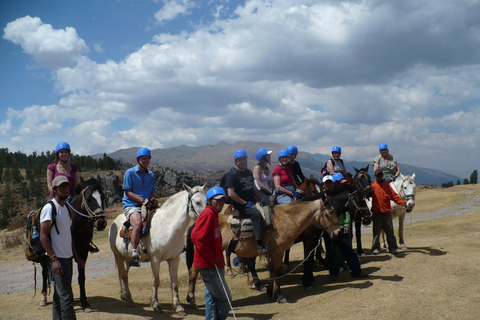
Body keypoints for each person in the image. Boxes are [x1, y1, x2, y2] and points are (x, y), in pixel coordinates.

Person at [40, 176, 85, 320]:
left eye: (67, 186)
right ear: (54, 190)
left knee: (59, 298)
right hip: (57, 260)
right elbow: (43, 236)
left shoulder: (65, 208)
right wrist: (54, 259)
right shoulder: (49, 208)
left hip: (67, 258)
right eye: (61, 187)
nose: (65, 189)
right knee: (67, 297)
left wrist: (76, 257)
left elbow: (68, 235)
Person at [191, 186, 232, 320]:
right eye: (217, 200)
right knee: (225, 299)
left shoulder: (213, 214)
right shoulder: (208, 214)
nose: (220, 203)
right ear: (209, 201)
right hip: (209, 265)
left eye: (222, 200)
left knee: (211, 297)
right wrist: (212, 257)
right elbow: (196, 237)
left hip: (212, 264)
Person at [323, 173, 367, 280]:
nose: (329, 185)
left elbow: (347, 211)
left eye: (330, 183)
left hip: (342, 226)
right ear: (324, 185)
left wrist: (347, 224)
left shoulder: (342, 195)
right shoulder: (322, 197)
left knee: (348, 250)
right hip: (329, 228)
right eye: (326, 183)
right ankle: (334, 273)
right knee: (331, 251)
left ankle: (356, 271)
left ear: (333, 184)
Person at [225, 149, 268, 254]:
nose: (243, 161)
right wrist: (244, 203)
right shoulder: (232, 175)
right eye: (240, 159)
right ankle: (259, 244)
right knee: (257, 214)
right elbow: (230, 193)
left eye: (244, 159)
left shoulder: (248, 172)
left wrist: (262, 200)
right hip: (240, 205)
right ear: (236, 161)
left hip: (252, 201)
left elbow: (254, 188)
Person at [122, 147, 157, 267]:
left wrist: (152, 199)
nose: (146, 161)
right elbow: (127, 192)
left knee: (163, 218)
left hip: (147, 204)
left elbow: (153, 191)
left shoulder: (151, 174)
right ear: (138, 159)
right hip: (131, 205)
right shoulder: (130, 173)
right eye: (143, 158)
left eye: (148, 158)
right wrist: (143, 200)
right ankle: (134, 254)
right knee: (137, 223)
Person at [371, 168, 406, 255]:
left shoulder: (387, 186)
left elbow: (394, 197)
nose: (379, 177)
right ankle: (375, 248)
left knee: (390, 231)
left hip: (387, 213)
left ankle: (393, 248)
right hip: (376, 213)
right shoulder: (372, 186)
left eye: (380, 175)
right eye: (377, 175)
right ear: (375, 176)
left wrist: (403, 203)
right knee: (376, 232)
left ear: (382, 175)